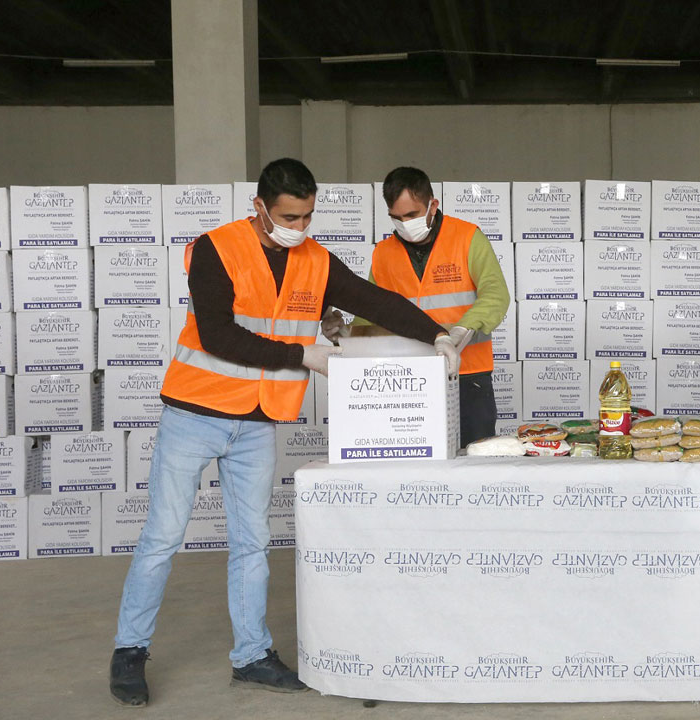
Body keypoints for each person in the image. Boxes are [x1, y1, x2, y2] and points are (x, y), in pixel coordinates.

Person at [109, 158, 461, 707]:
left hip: (255, 423)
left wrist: (437, 334)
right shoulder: (215, 248)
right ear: (259, 208)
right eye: (288, 217)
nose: (298, 228)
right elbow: (219, 336)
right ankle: (129, 650)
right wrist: (305, 354)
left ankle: (251, 655)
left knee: (253, 543)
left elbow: (372, 300)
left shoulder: (314, 258)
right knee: (163, 537)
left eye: (307, 217)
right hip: (195, 414)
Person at [322, 167, 509, 446]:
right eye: (396, 218)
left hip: (468, 376)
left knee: (475, 466)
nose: (404, 224)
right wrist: (345, 337)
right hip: (409, 384)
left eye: (411, 215)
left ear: (433, 205)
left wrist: (461, 331)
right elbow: (372, 312)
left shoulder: (467, 238)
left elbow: (496, 294)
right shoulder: (384, 254)